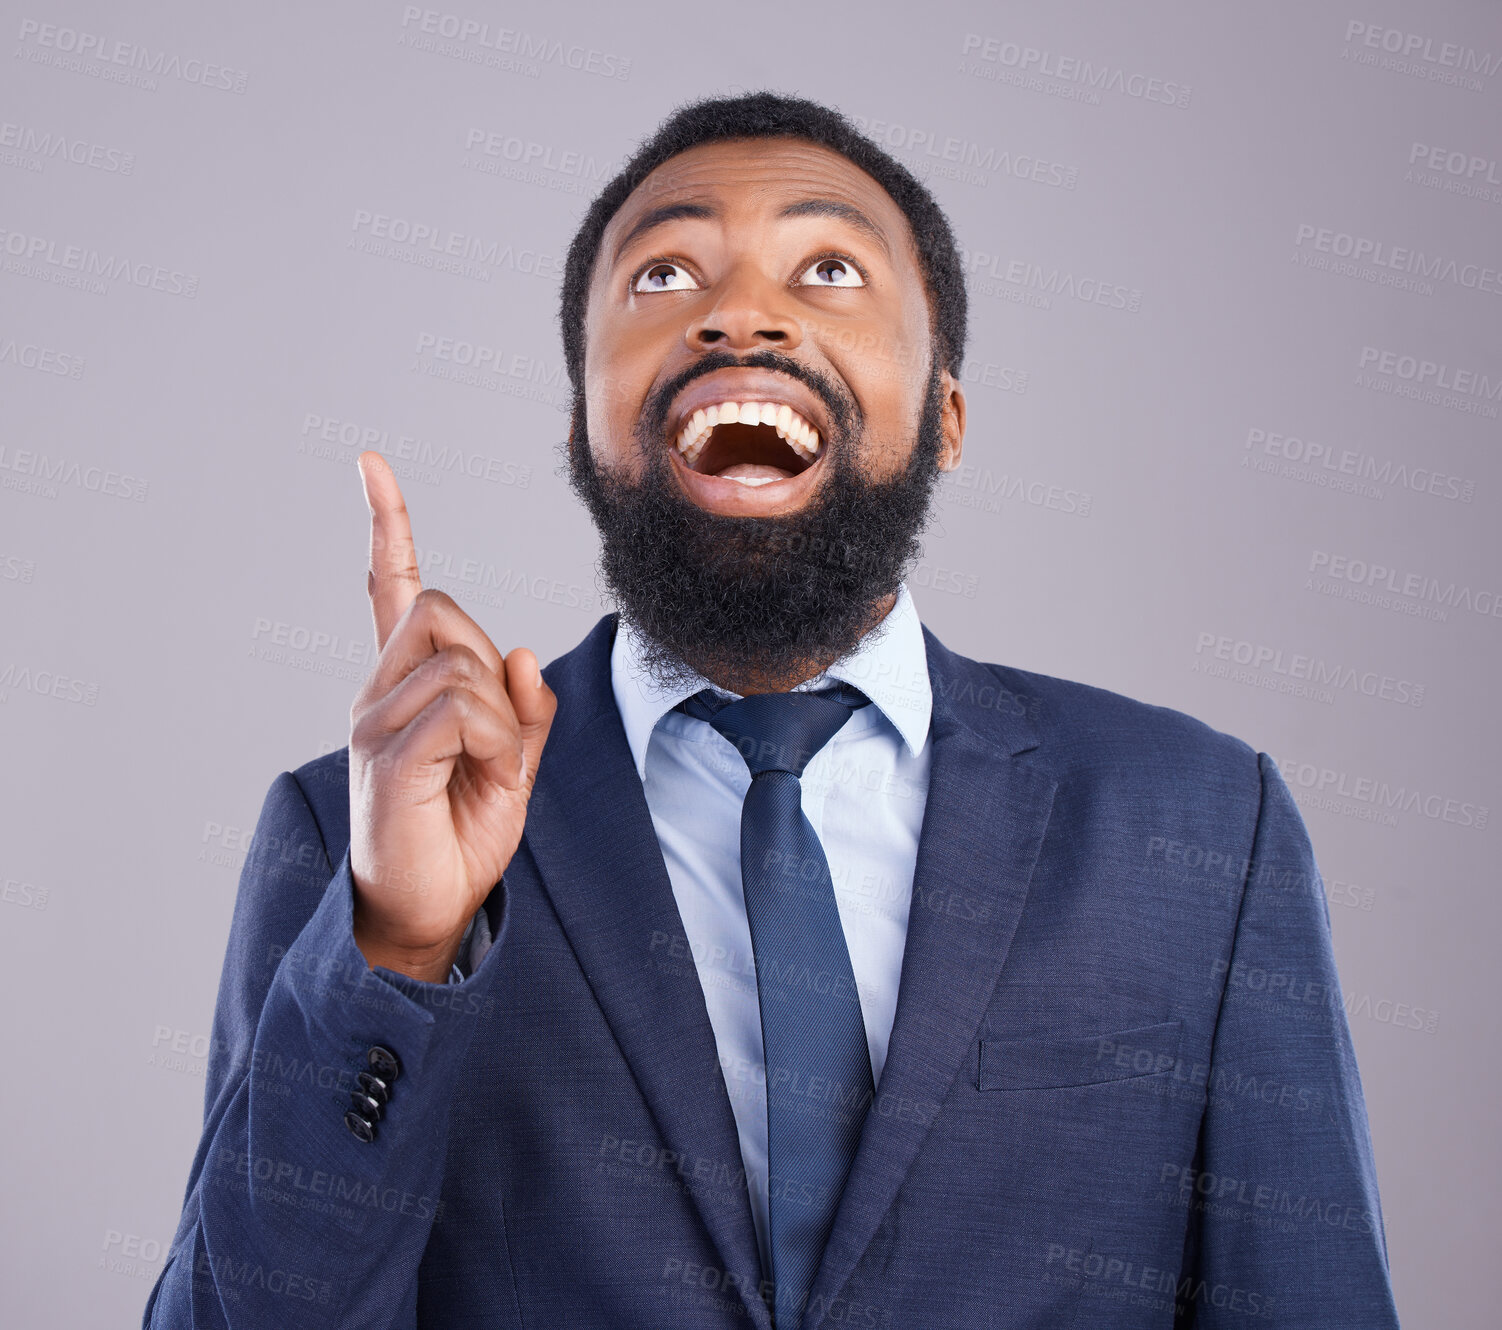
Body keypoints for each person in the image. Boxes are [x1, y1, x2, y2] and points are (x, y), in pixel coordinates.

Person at [144, 92, 1401, 1329]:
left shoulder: (1197, 827)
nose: (740, 314)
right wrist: (400, 950)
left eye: (830, 269)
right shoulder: (353, 831)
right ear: (584, 422)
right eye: (663, 277)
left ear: (945, 417)